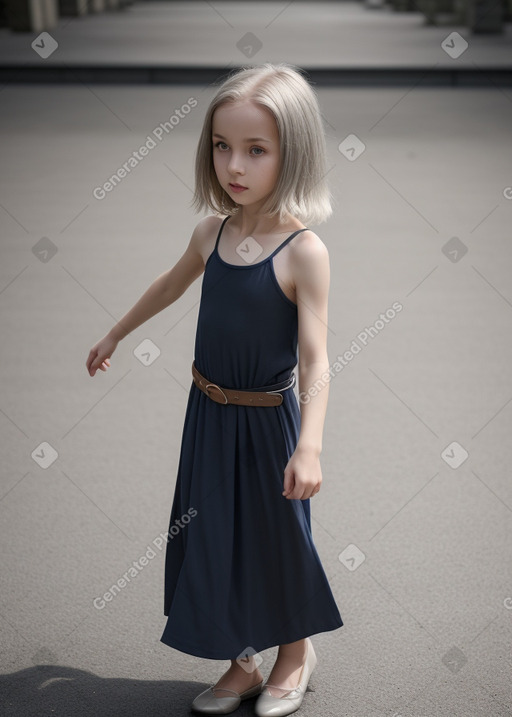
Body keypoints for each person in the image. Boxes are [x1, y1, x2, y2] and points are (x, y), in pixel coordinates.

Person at [86, 62, 343, 717]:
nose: (235, 164)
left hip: (268, 421)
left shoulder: (303, 251)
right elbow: (170, 286)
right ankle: (241, 660)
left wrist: (309, 446)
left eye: (257, 150)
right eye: (223, 146)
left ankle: (294, 654)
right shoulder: (214, 231)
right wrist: (116, 332)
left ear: (294, 153)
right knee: (214, 534)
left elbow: (316, 360)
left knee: (279, 537)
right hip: (208, 415)